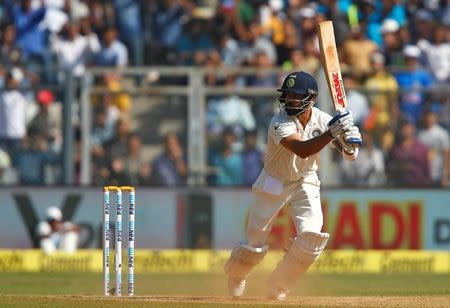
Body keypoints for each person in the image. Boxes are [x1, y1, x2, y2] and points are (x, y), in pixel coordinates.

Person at [223, 71, 362, 300]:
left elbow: (349, 155)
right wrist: (332, 133)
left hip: (305, 182)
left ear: (312, 99)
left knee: (311, 238)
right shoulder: (279, 121)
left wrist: (350, 142)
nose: (290, 101)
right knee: (254, 243)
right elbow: (302, 149)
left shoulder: (324, 120)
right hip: (273, 182)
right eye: (288, 96)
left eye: (296, 96)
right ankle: (237, 275)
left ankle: (279, 285)